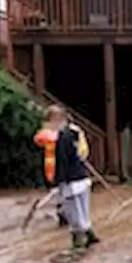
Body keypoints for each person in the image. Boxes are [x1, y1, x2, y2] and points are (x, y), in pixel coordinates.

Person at [33, 105, 98, 251]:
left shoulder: (62, 138)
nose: (46, 126)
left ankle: (79, 240)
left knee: (73, 211)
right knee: (83, 208)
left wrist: (58, 182)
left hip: (71, 181)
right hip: (82, 177)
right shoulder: (72, 133)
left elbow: (62, 161)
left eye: (47, 122)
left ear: (54, 120)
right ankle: (90, 234)